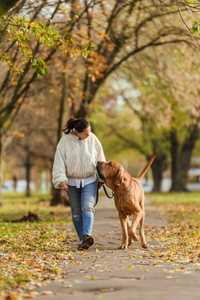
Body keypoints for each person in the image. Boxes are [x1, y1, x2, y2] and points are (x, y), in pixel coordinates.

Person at [52, 118, 106, 250]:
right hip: (71, 182)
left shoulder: (93, 139)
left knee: (87, 208)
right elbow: (59, 162)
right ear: (78, 132)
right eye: (86, 133)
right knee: (76, 212)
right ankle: (83, 240)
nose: (89, 135)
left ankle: (87, 235)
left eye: (90, 131)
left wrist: (103, 177)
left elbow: (101, 160)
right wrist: (60, 180)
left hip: (90, 180)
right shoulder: (64, 141)